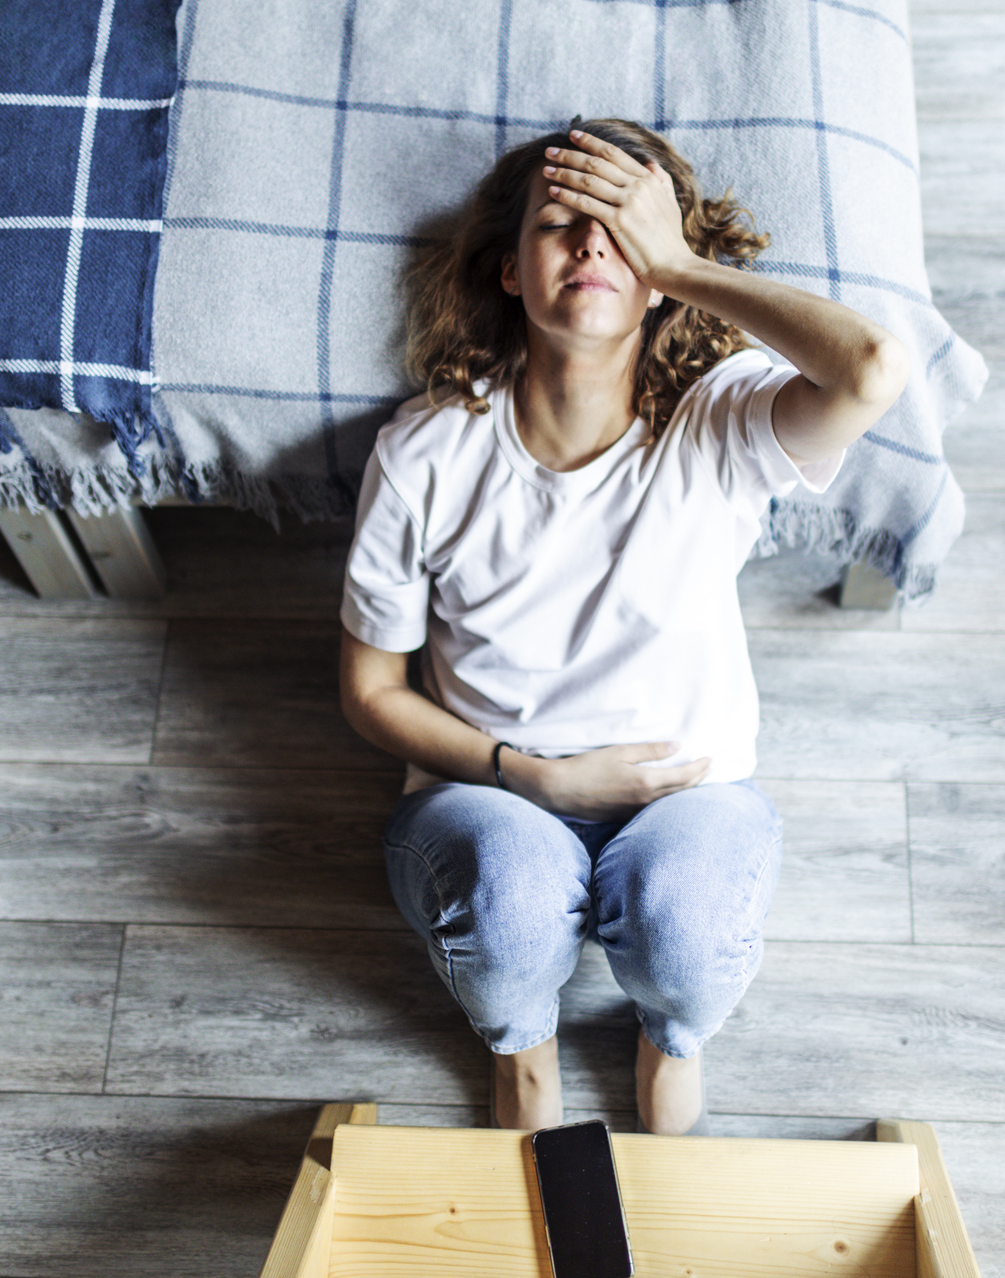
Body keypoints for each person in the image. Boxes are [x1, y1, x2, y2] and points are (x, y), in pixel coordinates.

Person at [338, 118, 908, 1134]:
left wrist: (680, 259)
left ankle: (671, 1035)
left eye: (622, 230)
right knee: (511, 909)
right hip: (491, 793)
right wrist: (535, 776)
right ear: (510, 271)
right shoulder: (426, 453)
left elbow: (869, 368)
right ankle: (520, 1045)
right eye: (562, 224)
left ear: (657, 277)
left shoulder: (718, 421)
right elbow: (371, 691)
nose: (594, 245)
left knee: (685, 933)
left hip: (687, 799)